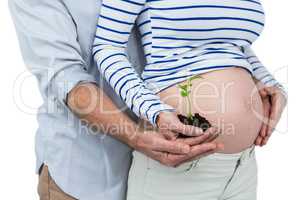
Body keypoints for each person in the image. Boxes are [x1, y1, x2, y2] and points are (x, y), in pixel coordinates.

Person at [9, 0, 223, 199]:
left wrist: (252, 76)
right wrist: (137, 137)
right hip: (87, 177)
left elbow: (202, 24)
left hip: (169, 175)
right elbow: (68, 82)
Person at [93, 0, 287, 199]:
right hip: (178, 164)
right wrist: (155, 112)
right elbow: (107, 47)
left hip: (243, 166)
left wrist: (272, 85)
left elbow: (235, 44)